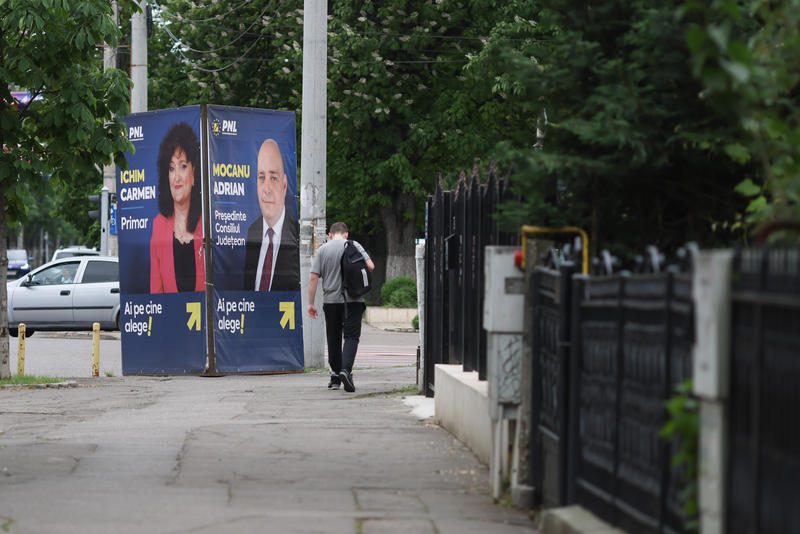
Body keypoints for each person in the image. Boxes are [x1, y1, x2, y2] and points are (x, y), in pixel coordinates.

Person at [307, 222, 375, 392]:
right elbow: (371, 266)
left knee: (333, 337)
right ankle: (346, 369)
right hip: (353, 300)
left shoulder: (323, 250)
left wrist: (310, 303)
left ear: (330, 235)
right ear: (346, 234)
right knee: (351, 336)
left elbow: (314, 278)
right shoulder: (354, 245)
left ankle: (335, 378)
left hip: (331, 301)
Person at [150, 122, 205, 293]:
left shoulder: (208, 224)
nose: (177, 177)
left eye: (182, 166)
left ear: (194, 173)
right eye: (172, 168)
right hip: (169, 318)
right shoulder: (158, 225)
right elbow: (156, 291)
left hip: (204, 317)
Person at [243, 139, 299, 291]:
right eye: (261, 177)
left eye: (273, 178)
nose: (266, 189)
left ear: (284, 185)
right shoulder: (252, 231)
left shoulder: (298, 234)